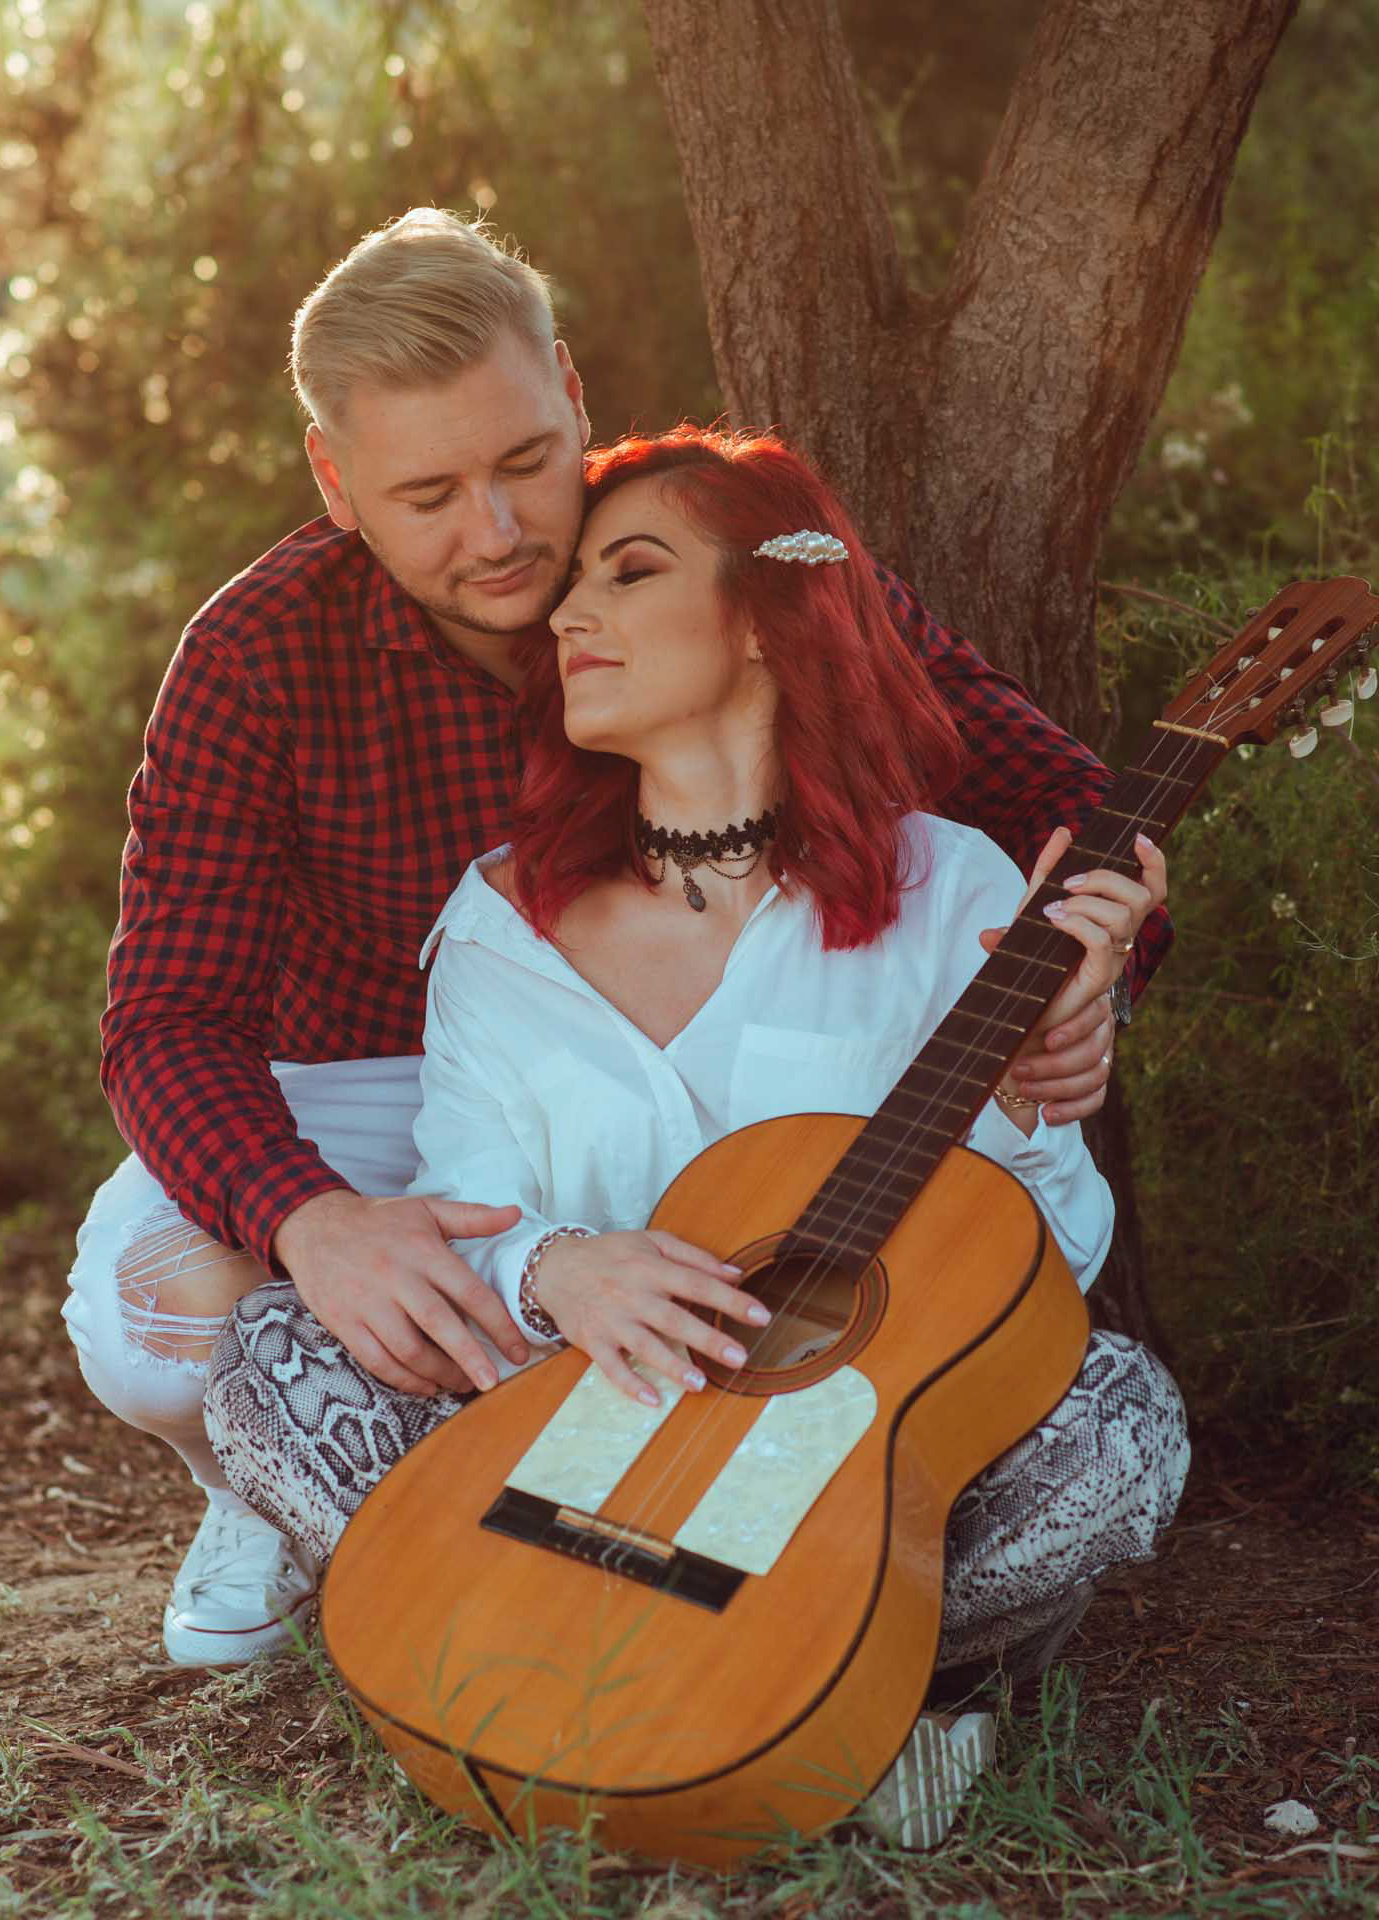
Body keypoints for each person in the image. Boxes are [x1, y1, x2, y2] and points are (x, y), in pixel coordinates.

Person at [61, 208, 1171, 1668]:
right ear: (336, 482)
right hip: (385, 1082)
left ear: (573, 395)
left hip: (735, 1087)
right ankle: (302, 1507)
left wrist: (1088, 982)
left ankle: (822, 1610)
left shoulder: (726, 549)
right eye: (431, 494)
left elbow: (1071, 810)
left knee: (1049, 1395)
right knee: (157, 1316)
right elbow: (166, 1019)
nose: (503, 535)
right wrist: (313, 1226)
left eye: (527, 463)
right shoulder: (256, 654)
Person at [201, 425, 1189, 1848]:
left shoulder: (953, 891)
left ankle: (861, 1666)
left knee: (1118, 1425)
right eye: (575, 586)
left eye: (631, 572)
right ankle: (535, 1636)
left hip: (839, 1480)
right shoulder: (502, 919)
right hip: (563, 1438)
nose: (570, 614)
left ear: (767, 622)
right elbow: (463, 1216)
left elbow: (1044, 1269)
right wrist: (563, 1272)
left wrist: (1029, 1097)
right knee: (272, 1361)